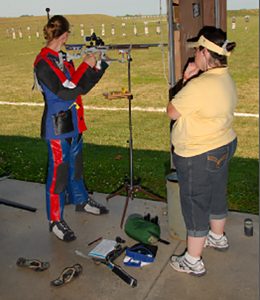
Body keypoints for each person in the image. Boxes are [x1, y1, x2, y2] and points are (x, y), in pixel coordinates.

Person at [167, 26, 237, 276]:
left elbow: (172, 111)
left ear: (206, 53)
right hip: (223, 145)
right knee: (217, 191)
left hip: (198, 153)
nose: (194, 53)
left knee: (195, 202)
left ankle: (193, 259)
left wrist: (186, 80)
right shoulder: (225, 77)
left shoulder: (199, 85)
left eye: (197, 49)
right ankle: (217, 237)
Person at [34, 15, 109, 242]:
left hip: (74, 122)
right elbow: (65, 91)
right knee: (59, 174)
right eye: (68, 36)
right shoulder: (44, 63)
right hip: (57, 127)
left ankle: (81, 199)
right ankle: (55, 220)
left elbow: (79, 88)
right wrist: (85, 65)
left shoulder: (63, 59)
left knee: (76, 166)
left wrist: (97, 67)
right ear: (64, 35)